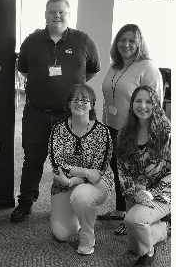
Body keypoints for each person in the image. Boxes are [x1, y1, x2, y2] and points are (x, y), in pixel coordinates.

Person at [11, 0, 101, 222]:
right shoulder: (32, 41)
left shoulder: (83, 40)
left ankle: (72, 201)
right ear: (45, 14)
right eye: (52, 12)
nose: (57, 16)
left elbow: (91, 72)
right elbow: (24, 70)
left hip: (69, 116)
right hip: (36, 113)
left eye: (62, 12)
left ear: (68, 15)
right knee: (33, 159)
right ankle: (25, 202)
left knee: (71, 160)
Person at [100, 24, 163, 235]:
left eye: (131, 41)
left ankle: (134, 216)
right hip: (112, 126)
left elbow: (155, 102)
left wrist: (149, 132)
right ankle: (120, 210)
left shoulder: (147, 67)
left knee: (135, 175)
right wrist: (103, 123)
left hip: (135, 130)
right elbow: (108, 96)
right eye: (122, 39)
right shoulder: (115, 65)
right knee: (119, 170)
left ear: (139, 43)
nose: (126, 44)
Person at [49, 84, 114, 255]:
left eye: (85, 100)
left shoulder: (102, 132)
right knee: (61, 234)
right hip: (63, 184)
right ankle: (79, 211)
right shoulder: (58, 129)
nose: (80, 103)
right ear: (69, 104)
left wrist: (71, 179)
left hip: (97, 184)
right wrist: (83, 173)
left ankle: (87, 237)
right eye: (75, 99)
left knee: (81, 196)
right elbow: (58, 164)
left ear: (92, 105)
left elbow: (97, 172)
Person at [117, 85, 170, 266]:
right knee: (134, 247)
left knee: (133, 220)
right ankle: (164, 228)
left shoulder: (166, 133)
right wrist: (135, 193)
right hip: (135, 193)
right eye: (138, 101)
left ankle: (149, 252)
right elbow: (122, 171)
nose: (143, 106)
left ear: (155, 104)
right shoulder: (124, 133)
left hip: (162, 194)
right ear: (132, 104)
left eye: (148, 101)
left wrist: (151, 193)